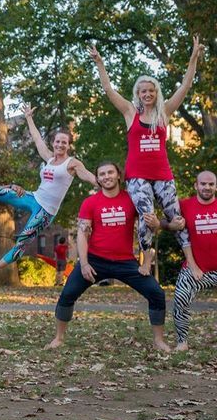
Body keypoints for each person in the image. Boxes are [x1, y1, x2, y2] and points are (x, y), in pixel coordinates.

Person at [90, 38, 204, 270]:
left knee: (177, 218)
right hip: (137, 176)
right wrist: (100, 64)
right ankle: (147, 258)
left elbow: (185, 86)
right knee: (146, 214)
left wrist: (193, 58)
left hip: (163, 175)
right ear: (138, 94)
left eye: (151, 90)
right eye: (143, 91)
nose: (147, 94)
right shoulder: (130, 113)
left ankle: (191, 261)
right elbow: (108, 90)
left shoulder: (165, 112)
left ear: (156, 92)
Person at [45, 162, 178, 352]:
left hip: (126, 262)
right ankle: (58, 338)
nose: (106, 176)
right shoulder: (90, 202)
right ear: (98, 179)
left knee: (156, 293)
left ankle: (159, 340)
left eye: (110, 172)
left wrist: (156, 226)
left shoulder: (132, 199)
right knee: (68, 293)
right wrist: (84, 264)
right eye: (102, 174)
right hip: (95, 260)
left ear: (118, 176)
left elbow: (149, 228)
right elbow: (82, 234)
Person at [0, 105, 97, 274]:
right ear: (53, 143)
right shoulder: (49, 158)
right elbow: (37, 139)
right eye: (58, 141)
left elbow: (87, 176)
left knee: (22, 242)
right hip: (32, 197)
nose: (60, 145)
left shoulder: (72, 163)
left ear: (68, 145)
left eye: (64, 142)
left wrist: (103, 183)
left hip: (45, 212)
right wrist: (28, 118)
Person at [170, 171, 217, 351]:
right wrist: (172, 224)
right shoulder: (184, 205)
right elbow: (165, 223)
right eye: (203, 184)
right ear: (196, 186)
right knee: (180, 299)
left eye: (211, 184)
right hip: (196, 268)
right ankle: (182, 341)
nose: (207, 187)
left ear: (215, 186)